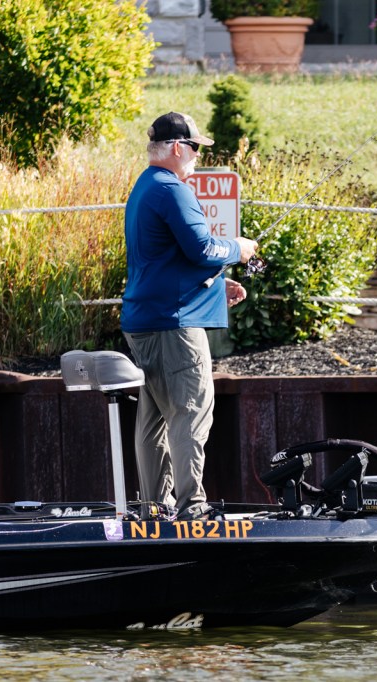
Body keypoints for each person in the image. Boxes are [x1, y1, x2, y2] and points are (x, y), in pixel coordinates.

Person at [121, 111, 258, 521]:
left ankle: (154, 509)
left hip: (145, 322)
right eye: (196, 147)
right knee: (192, 411)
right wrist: (238, 249)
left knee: (154, 417)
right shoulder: (172, 189)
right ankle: (191, 509)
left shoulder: (145, 186)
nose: (198, 156)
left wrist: (216, 287)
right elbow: (202, 248)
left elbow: (166, 260)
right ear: (179, 148)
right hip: (173, 327)